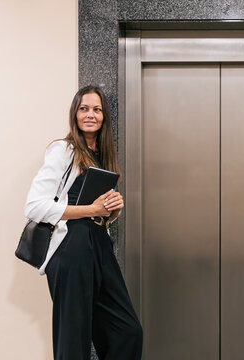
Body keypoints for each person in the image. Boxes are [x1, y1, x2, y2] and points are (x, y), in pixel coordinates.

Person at [24, 85, 143, 360]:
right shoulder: (63, 150)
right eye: (84, 108)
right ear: (75, 114)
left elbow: (98, 211)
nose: (91, 114)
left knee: (128, 332)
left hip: (100, 246)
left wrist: (112, 209)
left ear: (104, 117)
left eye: (97, 109)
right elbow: (33, 205)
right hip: (71, 248)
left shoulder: (104, 155)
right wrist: (92, 207)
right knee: (73, 341)